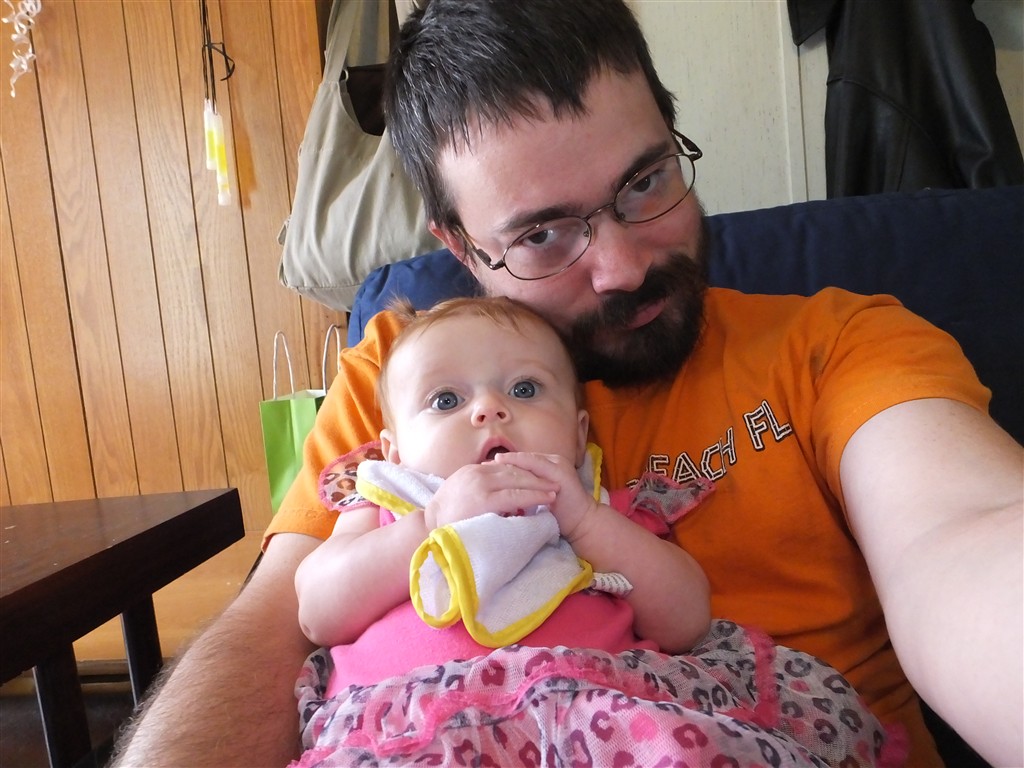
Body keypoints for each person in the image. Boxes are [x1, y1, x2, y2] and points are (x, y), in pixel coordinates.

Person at [111, 2, 1023, 766]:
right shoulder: (403, 376)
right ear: (461, 249)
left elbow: (963, 535)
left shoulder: (839, 344)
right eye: (542, 235)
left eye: (646, 181)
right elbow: (274, 629)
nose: (623, 266)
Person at [288, 296, 902, 767]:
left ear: (579, 435)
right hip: (411, 734)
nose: (489, 409)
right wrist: (427, 523)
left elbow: (686, 620)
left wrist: (584, 519)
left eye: (525, 389)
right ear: (393, 451)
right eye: (446, 400)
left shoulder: (594, 508)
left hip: (602, 722)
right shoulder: (388, 502)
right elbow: (318, 611)